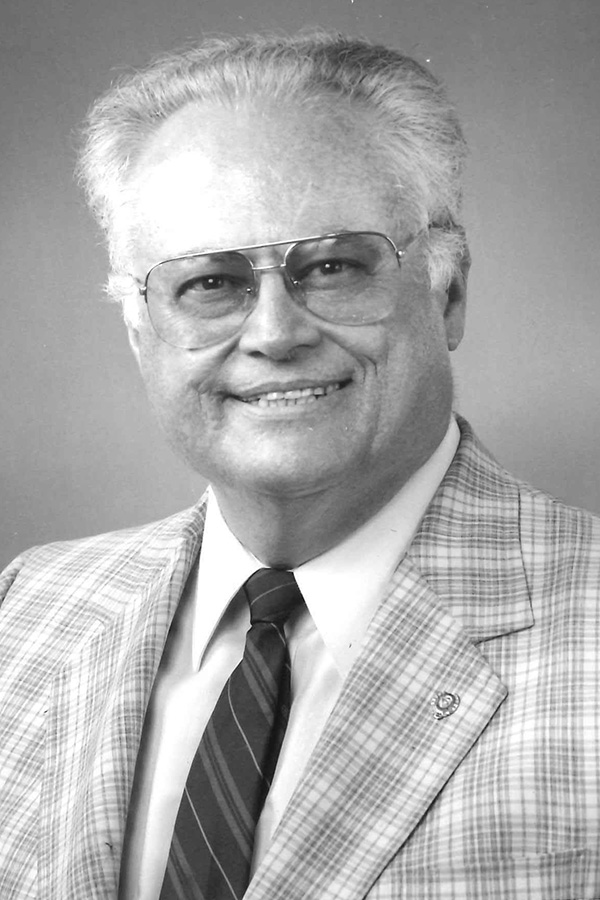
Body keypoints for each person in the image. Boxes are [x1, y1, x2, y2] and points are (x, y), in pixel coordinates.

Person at [0, 31, 598, 900]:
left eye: (333, 266)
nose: (276, 334)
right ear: (141, 332)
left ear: (448, 293)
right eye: (210, 283)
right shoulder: (25, 613)